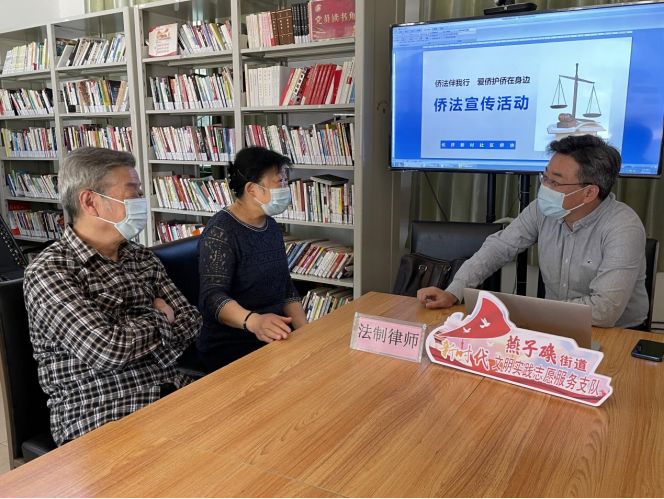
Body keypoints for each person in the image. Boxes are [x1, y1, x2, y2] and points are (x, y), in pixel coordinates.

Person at [23, 147, 201, 446]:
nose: (142, 200)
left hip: (171, 388)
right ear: (90, 202)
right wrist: (162, 316)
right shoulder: (50, 271)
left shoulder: (141, 258)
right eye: (132, 192)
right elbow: (107, 351)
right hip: (100, 412)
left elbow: (193, 322)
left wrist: (129, 331)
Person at [417, 135, 649, 329]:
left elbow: (605, 310)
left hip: (618, 333)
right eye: (545, 177)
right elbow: (499, 248)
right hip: (552, 324)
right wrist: (454, 291)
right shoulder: (542, 210)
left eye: (555, 182)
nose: (545, 187)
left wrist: (530, 311)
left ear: (589, 193)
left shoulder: (623, 227)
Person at [197, 146, 307, 372]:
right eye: (279, 181)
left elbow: (285, 286)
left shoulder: (271, 226)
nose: (285, 188)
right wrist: (253, 321)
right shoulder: (221, 232)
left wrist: (307, 332)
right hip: (232, 342)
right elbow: (212, 298)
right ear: (252, 189)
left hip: (274, 334)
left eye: (285, 181)